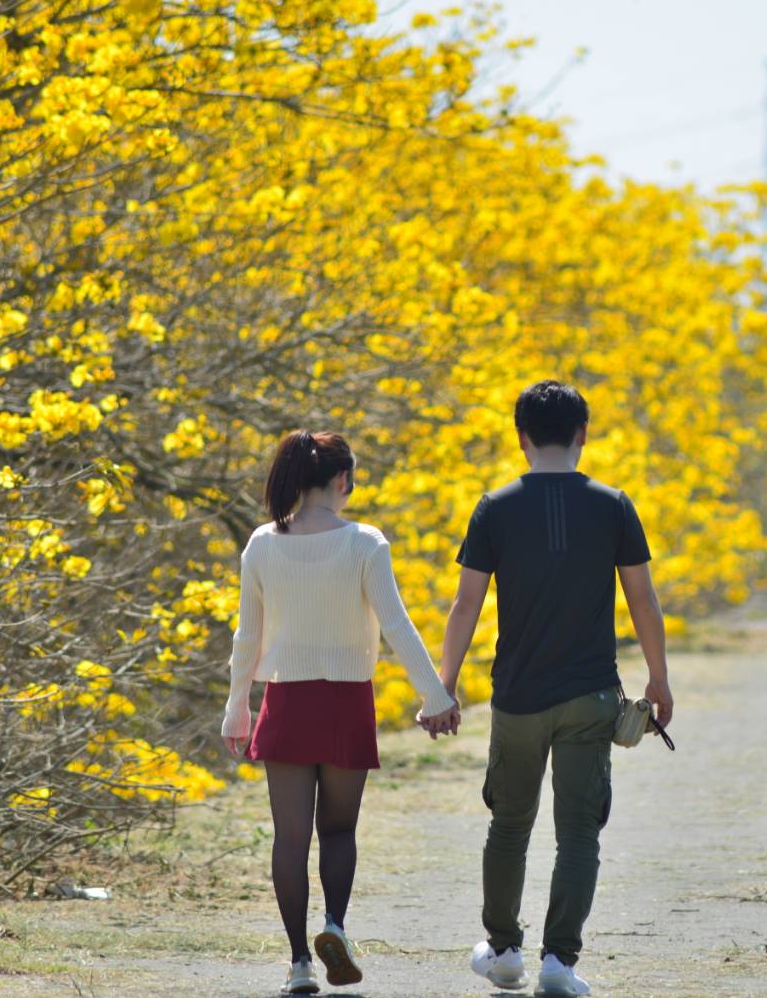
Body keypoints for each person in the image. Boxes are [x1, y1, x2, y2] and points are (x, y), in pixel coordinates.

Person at [436, 380, 673, 998]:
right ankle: (559, 964)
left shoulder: (495, 506)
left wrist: (444, 685)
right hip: (590, 693)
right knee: (579, 830)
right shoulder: (614, 504)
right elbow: (641, 596)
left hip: (517, 696)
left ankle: (505, 950)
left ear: (521, 438)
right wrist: (658, 677)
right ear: (582, 434)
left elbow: (466, 604)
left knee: (509, 825)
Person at [222, 429, 461, 996]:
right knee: (338, 828)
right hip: (347, 699)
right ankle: (335, 926)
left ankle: (300, 961)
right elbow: (397, 625)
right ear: (342, 480)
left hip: (284, 699)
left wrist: (237, 705)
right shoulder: (364, 543)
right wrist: (436, 696)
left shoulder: (261, 543)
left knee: (289, 837)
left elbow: (246, 636)